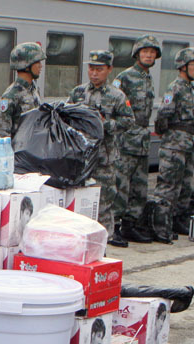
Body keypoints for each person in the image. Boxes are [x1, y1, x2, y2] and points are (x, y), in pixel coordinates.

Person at [67, 50, 133, 247]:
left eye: (99, 69)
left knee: (104, 205)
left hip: (104, 161)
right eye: (91, 69)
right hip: (80, 159)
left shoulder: (117, 96)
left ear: (109, 69)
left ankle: (103, 246)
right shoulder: (78, 93)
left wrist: (104, 125)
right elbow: (66, 116)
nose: (94, 73)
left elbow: (128, 121)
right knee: (79, 204)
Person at [152, 47, 194, 244]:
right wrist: (170, 136)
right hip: (174, 146)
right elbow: (163, 116)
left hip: (186, 145)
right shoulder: (175, 87)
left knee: (184, 186)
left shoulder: (189, 87)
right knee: (168, 187)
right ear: (183, 66)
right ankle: (160, 226)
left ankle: (177, 220)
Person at [114, 35, 161, 244]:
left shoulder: (148, 78)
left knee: (140, 187)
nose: (149, 55)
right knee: (121, 185)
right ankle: (114, 226)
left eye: (152, 52)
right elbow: (114, 104)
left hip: (142, 139)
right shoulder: (124, 77)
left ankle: (130, 225)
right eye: (145, 52)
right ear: (137, 54)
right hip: (126, 139)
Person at [0, 42, 46, 139]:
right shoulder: (10, 96)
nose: (40, 66)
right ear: (26, 65)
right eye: (37, 62)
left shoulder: (34, 90)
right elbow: (2, 133)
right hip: (18, 148)